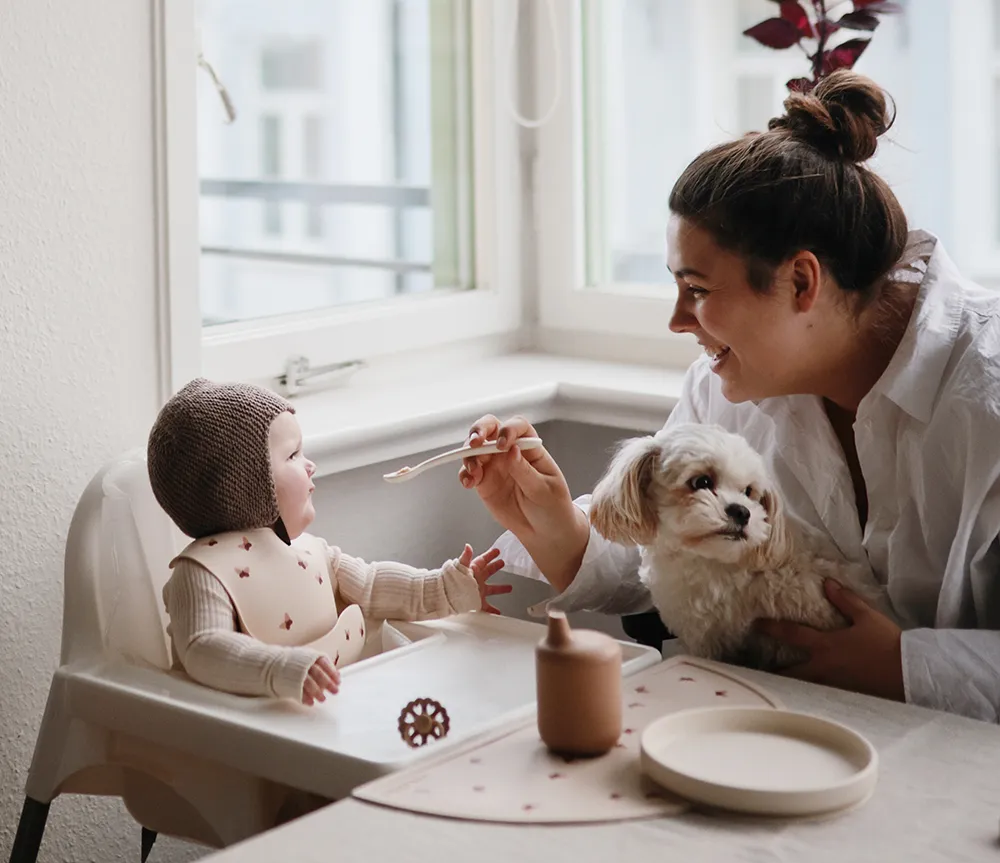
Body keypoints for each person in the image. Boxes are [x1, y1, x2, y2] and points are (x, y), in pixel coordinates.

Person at [459, 70, 1000, 723]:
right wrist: (552, 521)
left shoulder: (985, 397)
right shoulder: (727, 386)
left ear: (801, 282)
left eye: (697, 289)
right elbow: (667, 551)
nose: (677, 321)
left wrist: (905, 666)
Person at [148, 378, 510, 706]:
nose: (311, 465)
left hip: (338, 714)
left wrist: (446, 588)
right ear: (240, 485)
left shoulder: (310, 552)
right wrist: (278, 667)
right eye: (293, 455)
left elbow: (372, 585)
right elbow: (203, 648)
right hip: (254, 735)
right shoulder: (201, 574)